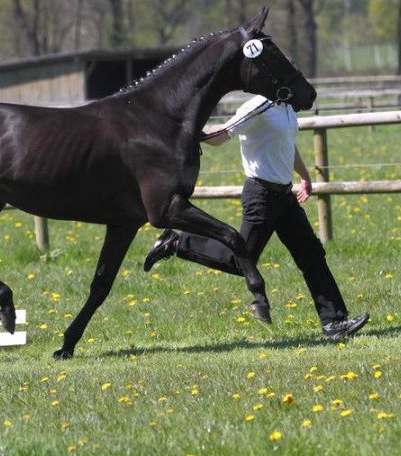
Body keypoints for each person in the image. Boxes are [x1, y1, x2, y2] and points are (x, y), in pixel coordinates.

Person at [143, 94, 369, 339]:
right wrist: (184, 130)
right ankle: (176, 243)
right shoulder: (258, 106)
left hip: (285, 197)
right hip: (261, 196)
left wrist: (304, 176)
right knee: (240, 259)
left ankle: (334, 322)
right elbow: (222, 136)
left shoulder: (287, 108)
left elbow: (287, 145)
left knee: (312, 254)